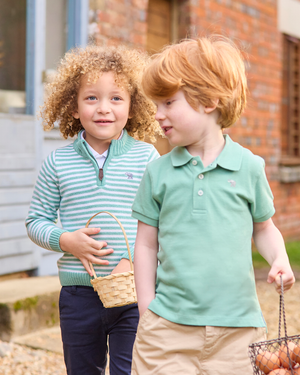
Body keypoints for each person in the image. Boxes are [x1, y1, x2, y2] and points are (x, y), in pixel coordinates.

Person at [131, 35, 295, 375]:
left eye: (168, 103)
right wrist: (146, 307)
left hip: (237, 332)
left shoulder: (249, 167)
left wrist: (279, 257)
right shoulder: (158, 172)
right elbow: (146, 244)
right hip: (167, 329)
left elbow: (263, 228)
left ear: (208, 101)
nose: (158, 114)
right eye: (156, 104)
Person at [25, 44, 161, 375]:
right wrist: (65, 240)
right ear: (73, 106)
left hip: (134, 293)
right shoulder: (58, 161)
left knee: (131, 370)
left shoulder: (147, 158)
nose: (104, 108)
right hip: (78, 295)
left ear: (133, 106)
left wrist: (135, 261)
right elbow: (36, 221)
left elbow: (165, 222)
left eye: (116, 98)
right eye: (91, 98)